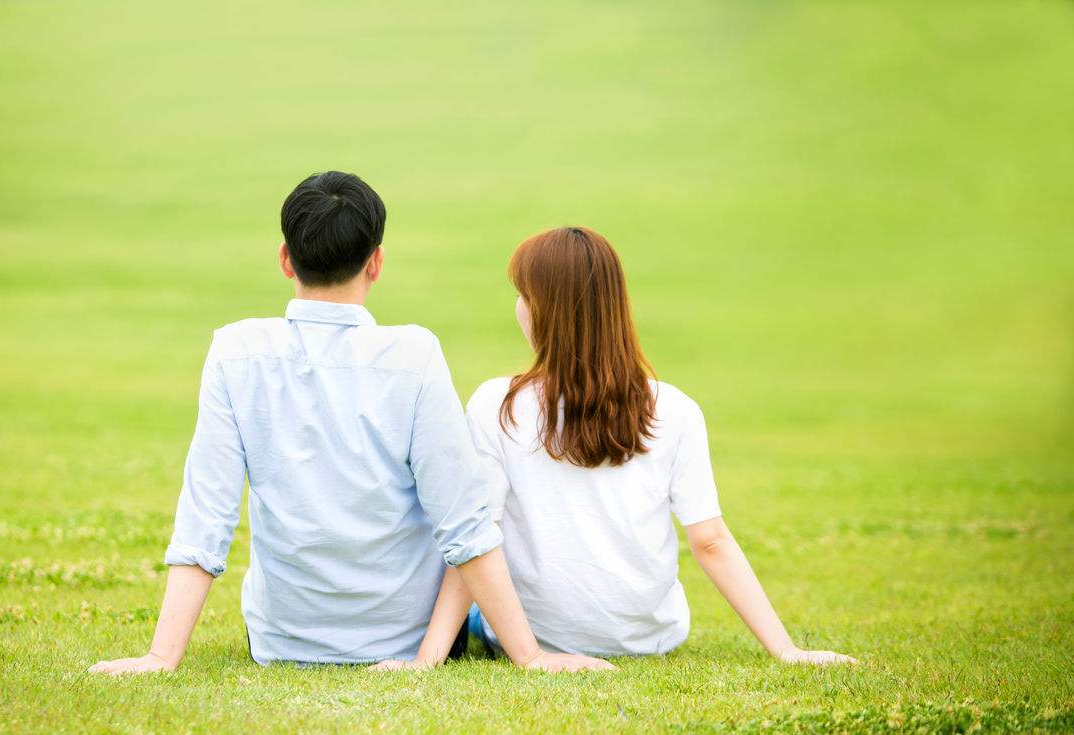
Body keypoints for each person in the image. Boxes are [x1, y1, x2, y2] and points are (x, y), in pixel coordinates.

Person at [89, 175, 615, 675]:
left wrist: (162, 656)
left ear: (285, 259)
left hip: (282, 642)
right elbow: (464, 521)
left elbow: (208, 514)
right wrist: (530, 657)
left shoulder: (235, 350)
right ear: (377, 263)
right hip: (407, 640)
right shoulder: (414, 354)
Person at [374, 226, 856, 669]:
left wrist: (427, 659)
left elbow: (478, 538)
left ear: (543, 309)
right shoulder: (677, 409)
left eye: (523, 294)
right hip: (649, 638)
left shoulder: (496, 405)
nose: (518, 306)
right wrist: (787, 650)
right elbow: (710, 541)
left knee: (479, 588)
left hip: (534, 635)